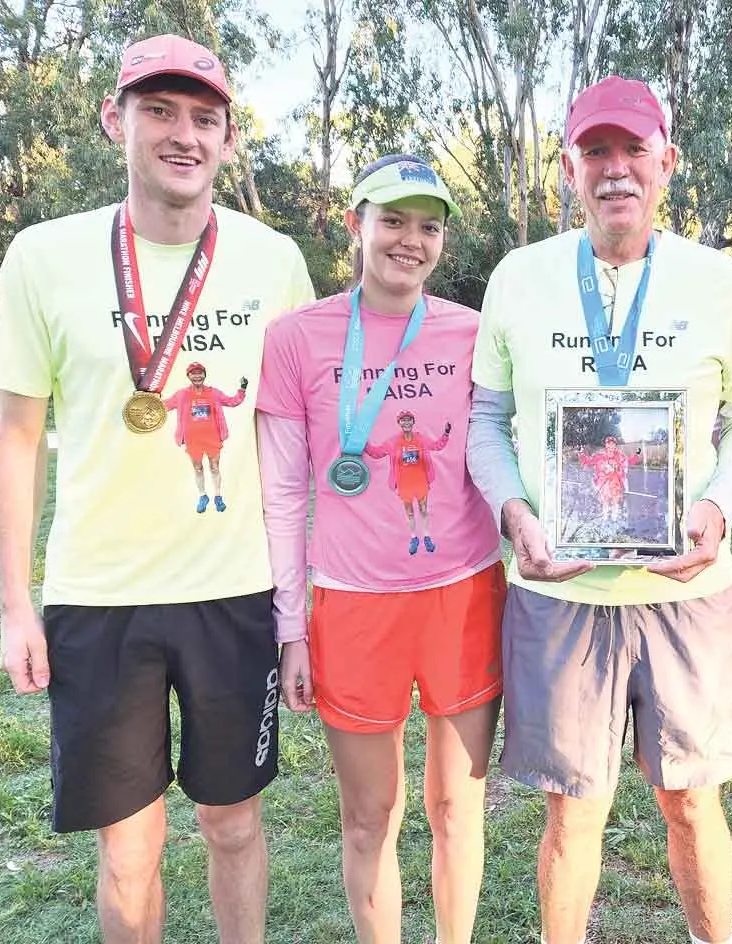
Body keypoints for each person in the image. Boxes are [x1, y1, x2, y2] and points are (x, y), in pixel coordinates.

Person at [0, 34, 315, 944]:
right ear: (113, 120)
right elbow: (15, 440)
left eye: (203, 119)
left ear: (227, 139)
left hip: (233, 593)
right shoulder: (41, 256)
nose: (183, 135)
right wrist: (17, 606)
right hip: (98, 600)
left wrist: (301, 603)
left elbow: (295, 439)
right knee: (129, 850)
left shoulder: (274, 259)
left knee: (233, 824)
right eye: (159, 112)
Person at [466, 75, 732, 944]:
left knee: (689, 802)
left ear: (666, 162)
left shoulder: (718, 280)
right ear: (568, 168)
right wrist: (515, 513)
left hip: (684, 591)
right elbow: (485, 419)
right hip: (562, 595)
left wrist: (715, 507)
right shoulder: (518, 277)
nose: (615, 169)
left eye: (633, 149)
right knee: (574, 814)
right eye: (595, 151)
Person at [255, 154, 504, 944]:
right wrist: (290, 626)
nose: (410, 241)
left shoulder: (474, 332)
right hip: (352, 605)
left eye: (428, 227)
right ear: (354, 224)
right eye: (392, 221)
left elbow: (513, 448)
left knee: (457, 809)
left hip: (463, 594)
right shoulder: (296, 338)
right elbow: (285, 493)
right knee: (370, 817)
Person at [163, 361, 250, 512]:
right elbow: (164, 406)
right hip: (193, 440)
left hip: (212, 438)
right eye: (193, 373)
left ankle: (217, 496)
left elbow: (232, 401)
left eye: (199, 373)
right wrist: (148, 399)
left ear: (204, 375)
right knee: (198, 468)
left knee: (214, 468)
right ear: (188, 376)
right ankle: (203, 496)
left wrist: (242, 389)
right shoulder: (181, 394)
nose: (197, 376)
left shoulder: (213, 393)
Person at [364, 409, 454, 555]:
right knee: (410, 513)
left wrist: (446, 434)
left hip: (420, 481)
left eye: (409, 419)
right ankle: (414, 538)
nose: (406, 422)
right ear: (399, 423)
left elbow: (437, 446)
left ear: (413, 422)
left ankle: (426, 537)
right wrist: (363, 442)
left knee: (423, 510)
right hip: (404, 483)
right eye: (403, 420)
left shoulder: (420, 439)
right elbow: (376, 453)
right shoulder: (393, 441)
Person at [575, 435, 642, 525]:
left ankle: (614, 520)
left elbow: (628, 462)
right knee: (605, 502)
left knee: (615, 501)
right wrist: (581, 453)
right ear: (606, 445)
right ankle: (605, 519)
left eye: (613, 444)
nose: (611, 446)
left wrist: (637, 455)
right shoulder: (599, 456)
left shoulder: (620, 456)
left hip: (615, 483)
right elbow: (588, 462)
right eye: (609, 444)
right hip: (603, 483)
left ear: (615, 445)